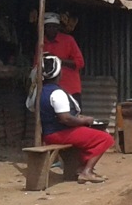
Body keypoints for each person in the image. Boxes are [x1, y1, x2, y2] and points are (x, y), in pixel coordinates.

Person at [37, 56, 113, 185]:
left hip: (50, 133)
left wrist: (78, 119)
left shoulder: (41, 91)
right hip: (59, 134)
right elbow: (65, 119)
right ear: (59, 74)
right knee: (105, 138)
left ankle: (82, 167)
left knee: (91, 137)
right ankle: (86, 172)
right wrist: (84, 120)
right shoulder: (57, 93)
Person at [42, 12, 84, 100]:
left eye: (54, 27)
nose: (51, 29)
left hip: (70, 88)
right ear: (45, 28)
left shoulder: (68, 40)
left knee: (73, 113)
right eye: (49, 27)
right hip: (49, 90)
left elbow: (80, 63)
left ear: (58, 28)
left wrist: (58, 60)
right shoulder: (41, 43)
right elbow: (37, 65)